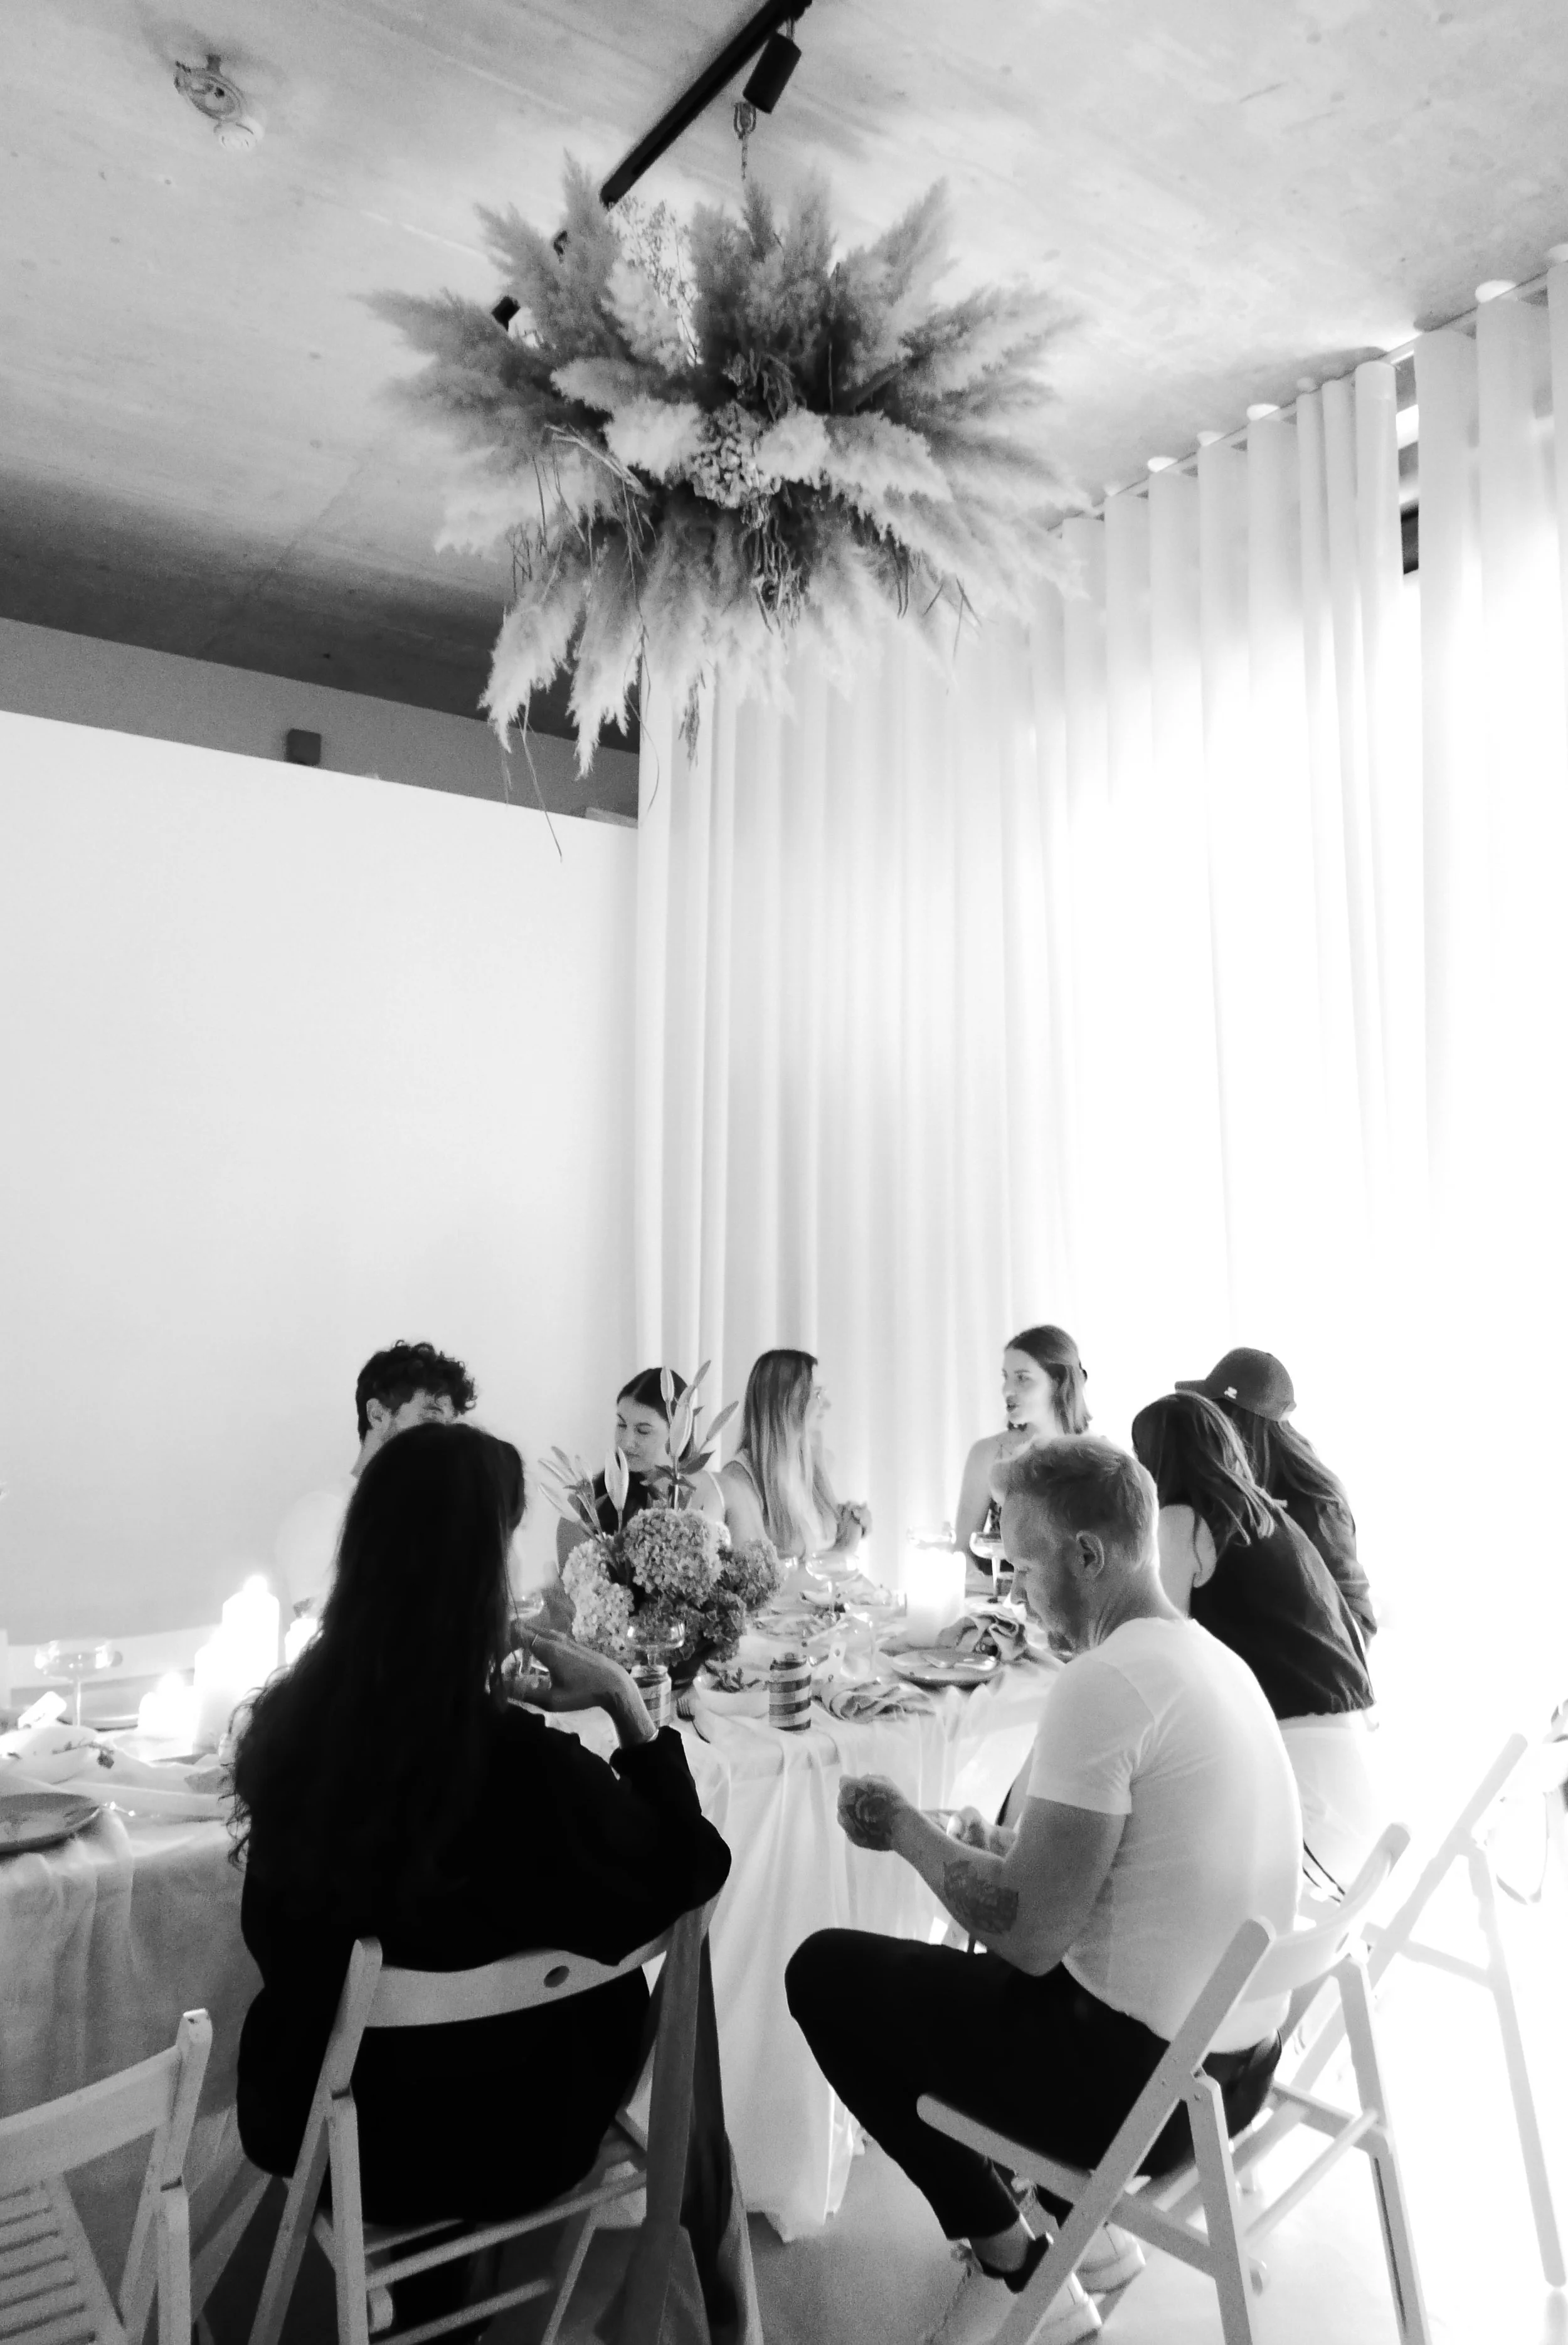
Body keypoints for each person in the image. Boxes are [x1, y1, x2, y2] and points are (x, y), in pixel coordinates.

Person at [786, 1436, 1301, 2345]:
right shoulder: (1207, 1659)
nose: (1018, 1588)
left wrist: (907, 1828)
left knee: (825, 1972)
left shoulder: (1103, 1681)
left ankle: (1015, 2261)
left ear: (1090, 1554)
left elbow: (1026, 1934)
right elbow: (1135, 1867)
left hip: (1141, 2095)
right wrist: (1007, 1844)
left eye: (1024, 1565)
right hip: (1237, 2069)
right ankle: (1089, 2242)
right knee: (963, 1961)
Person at [234, 1421, 731, 2336]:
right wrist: (627, 1703)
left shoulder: (294, 1736)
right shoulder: (527, 1771)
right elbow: (693, 1864)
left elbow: (271, 1941)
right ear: (480, 1576)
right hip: (529, 2134)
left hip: (355, 2146)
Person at [1130, 1390, 1380, 1895]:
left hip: (1310, 1814)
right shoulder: (1270, 1514)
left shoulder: (1184, 1518)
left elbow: (1162, 1640)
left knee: (1142, 1829)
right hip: (1355, 1792)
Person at [1177, 1347, 1375, 1643]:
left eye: (1211, 1411)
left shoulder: (1315, 1503)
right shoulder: (1228, 1485)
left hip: (1310, 1675)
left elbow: (1356, 1625)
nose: (1203, 1424)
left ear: (1234, 1418)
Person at [273, 1340, 477, 1617]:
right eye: (431, 1418)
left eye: (449, 1427)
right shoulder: (324, 1511)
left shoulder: (429, 1517)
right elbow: (323, 1631)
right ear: (378, 1414)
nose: (445, 1439)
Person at [553, 1366, 725, 1573]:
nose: (626, 1443)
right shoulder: (585, 1507)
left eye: (643, 1431)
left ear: (680, 1433)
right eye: (622, 1425)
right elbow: (572, 1594)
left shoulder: (714, 1494)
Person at [953, 1326, 1091, 1572]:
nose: (1007, 1390)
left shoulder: (1096, 1458)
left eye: (1022, 1378)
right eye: (1005, 1377)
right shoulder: (987, 1454)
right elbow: (962, 1552)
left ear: (1058, 1382)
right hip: (998, 1603)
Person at [717, 1348, 872, 1561]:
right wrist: (845, 1549)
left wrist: (854, 1520)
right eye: (817, 1394)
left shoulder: (815, 1462)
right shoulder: (739, 1480)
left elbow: (820, 1543)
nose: (826, 1405)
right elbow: (764, 1581)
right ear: (784, 1401)